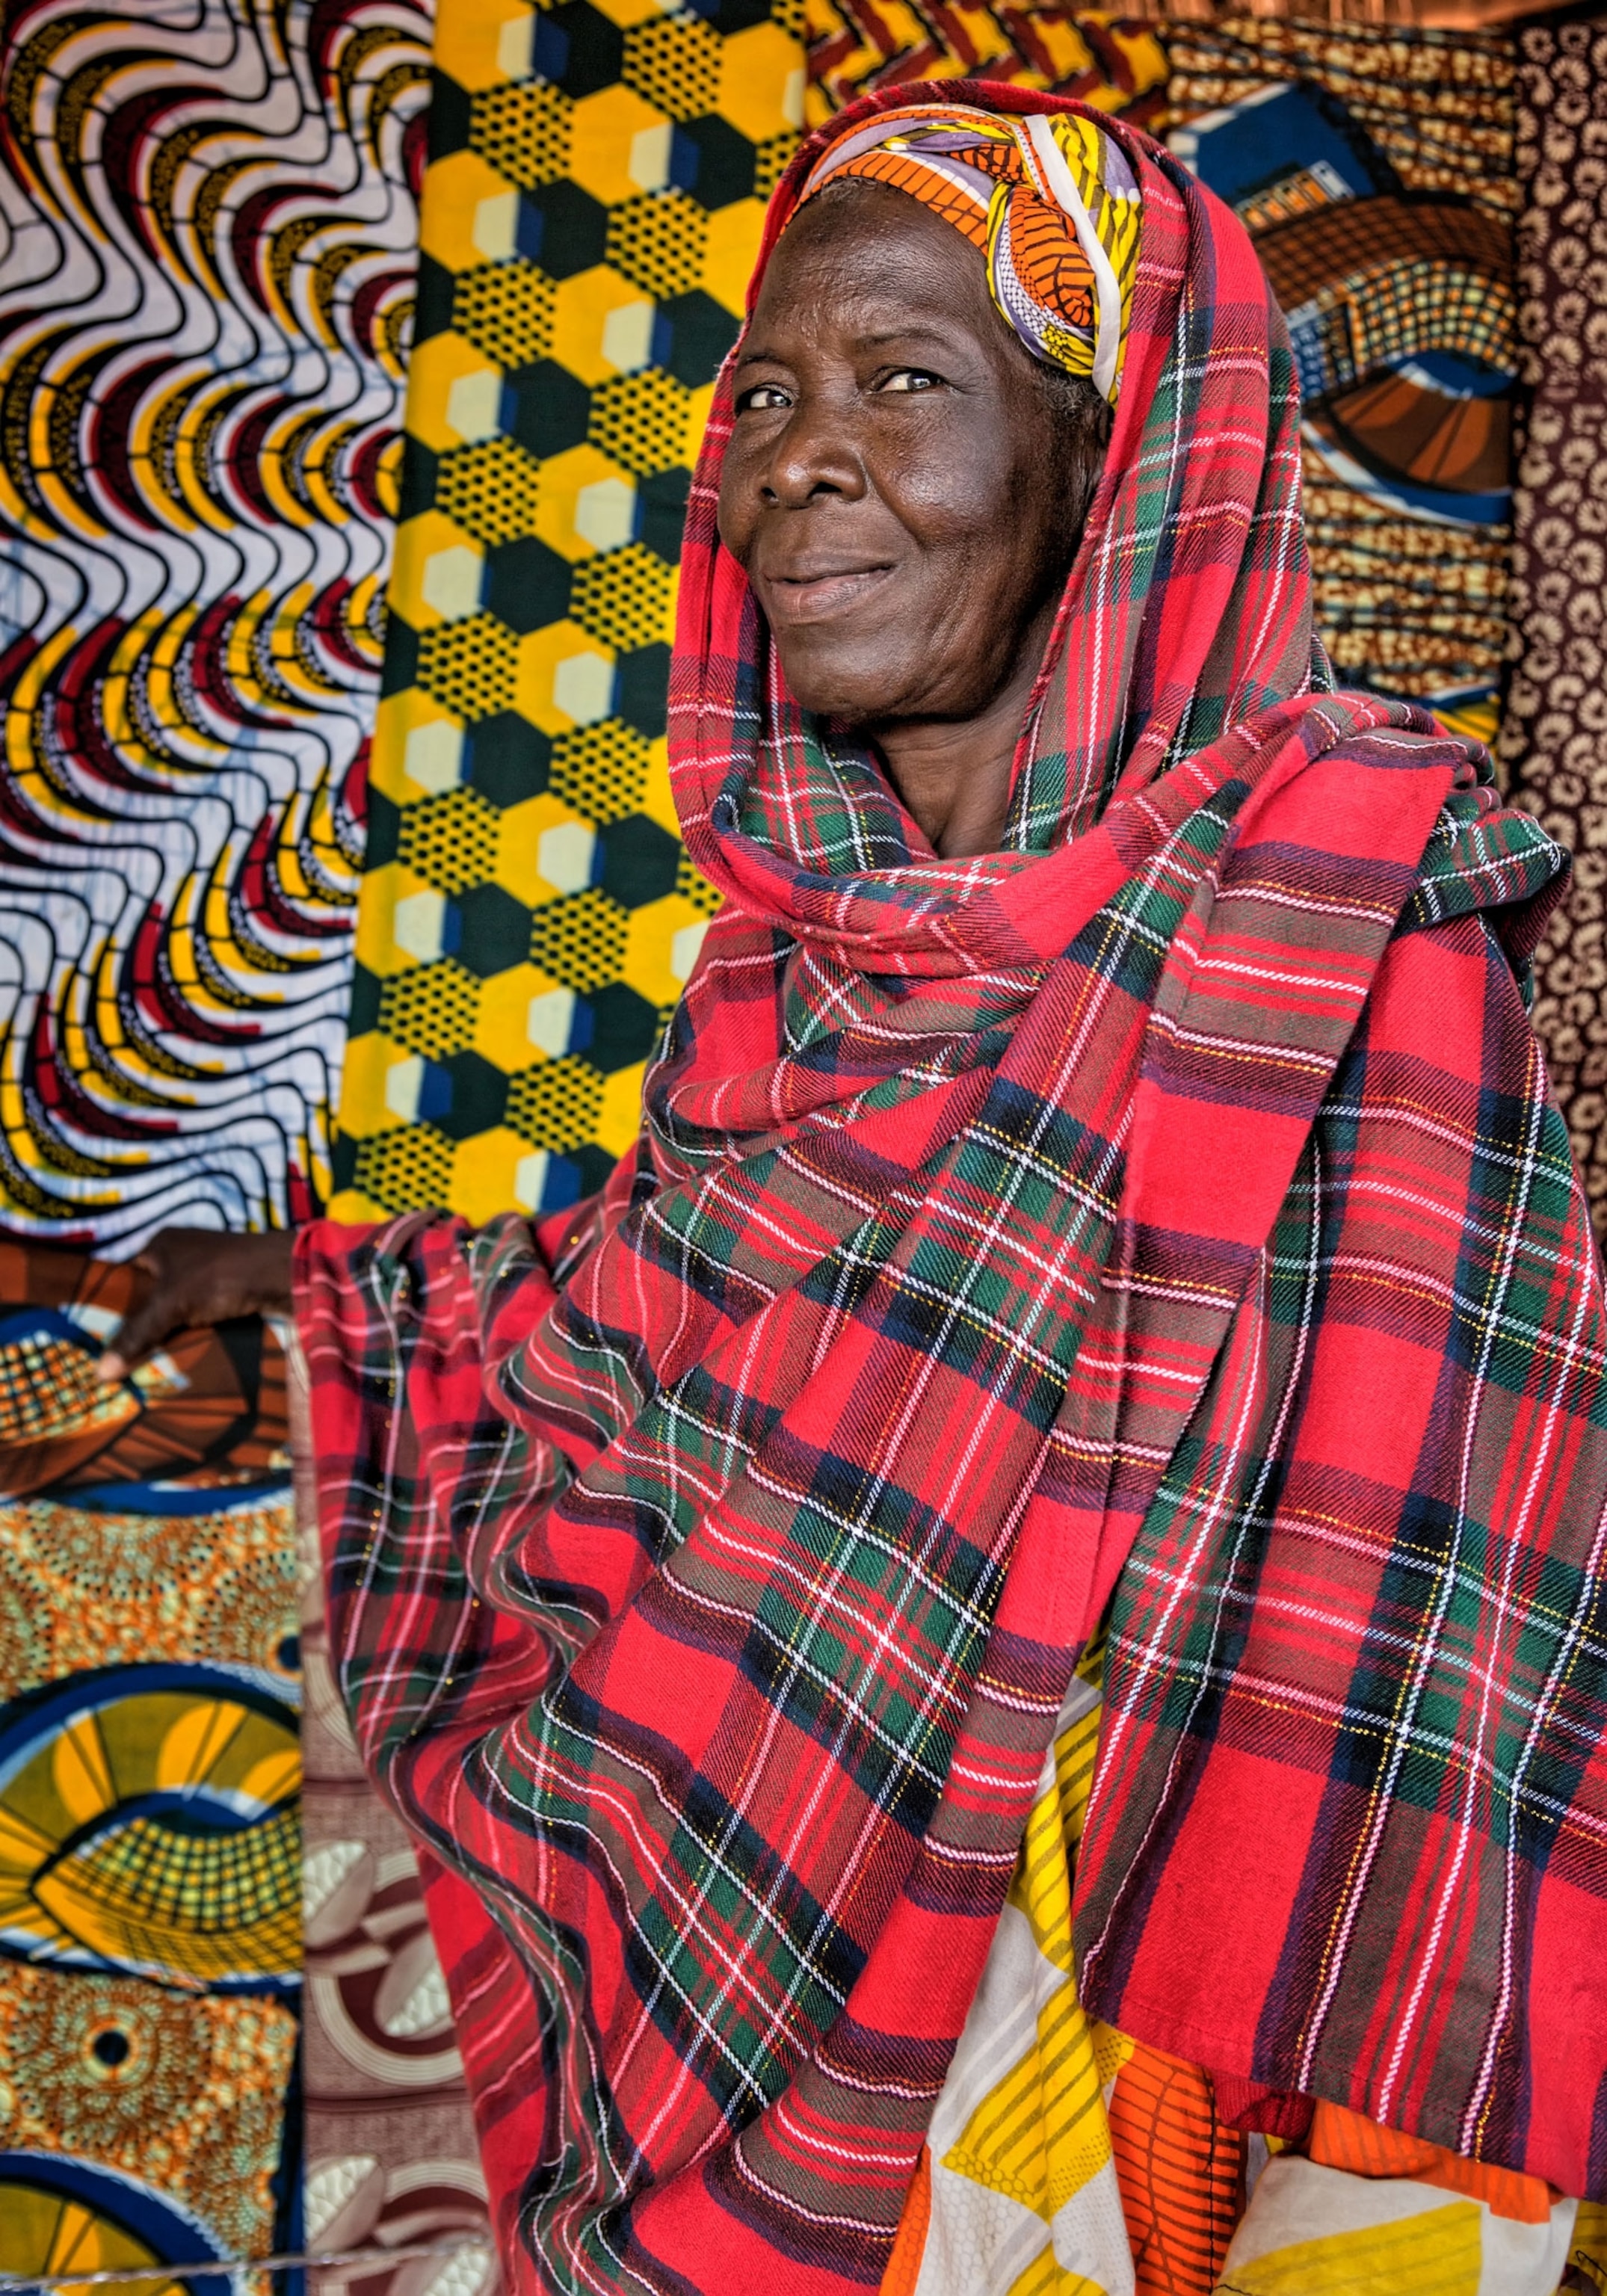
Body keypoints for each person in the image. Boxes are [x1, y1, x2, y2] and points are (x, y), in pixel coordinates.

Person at [100, 84, 1607, 2296]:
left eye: (909, 380)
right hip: (673, 1851)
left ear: (1117, 461)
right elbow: (634, 1342)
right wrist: (314, 1308)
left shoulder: (1331, 924)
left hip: (1051, 2053)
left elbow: (1427, 1681)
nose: (797, 458)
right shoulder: (788, 962)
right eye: (772, 396)